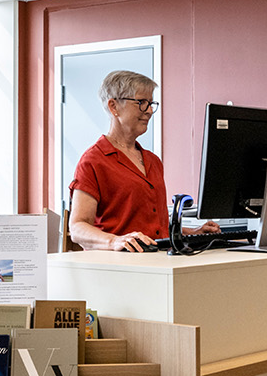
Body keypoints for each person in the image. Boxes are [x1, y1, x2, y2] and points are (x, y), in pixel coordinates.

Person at [67, 70, 219, 251]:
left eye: (150, 103)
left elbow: (155, 228)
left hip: (157, 259)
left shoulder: (153, 161)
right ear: (114, 106)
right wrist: (114, 241)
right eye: (141, 103)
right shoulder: (93, 161)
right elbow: (77, 228)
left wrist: (193, 232)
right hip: (119, 262)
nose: (149, 111)